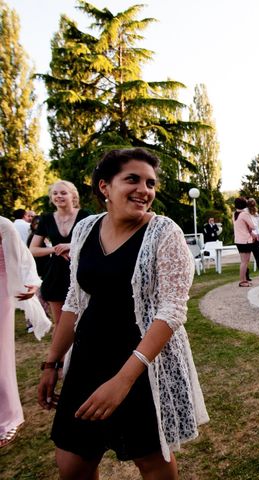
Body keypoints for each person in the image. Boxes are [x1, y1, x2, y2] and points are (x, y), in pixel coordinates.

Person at [37, 148, 208, 479]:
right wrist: (52, 361)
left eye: (150, 182)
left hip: (141, 363)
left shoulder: (164, 232)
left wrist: (123, 380)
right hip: (87, 359)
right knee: (71, 463)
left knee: (153, 463)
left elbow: (171, 310)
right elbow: (75, 299)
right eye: (132, 179)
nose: (144, 189)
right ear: (105, 187)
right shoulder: (86, 228)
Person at [0, 217, 51, 448]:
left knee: (1, 355)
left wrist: (31, 283)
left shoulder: (3, 225)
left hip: (2, 293)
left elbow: (23, 257)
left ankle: (9, 417)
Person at [29, 181, 90, 327]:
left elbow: (96, 243)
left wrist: (70, 246)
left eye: (63, 193)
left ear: (73, 196)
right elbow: (33, 250)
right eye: (55, 193)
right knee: (60, 323)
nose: (58, 196)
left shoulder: (85, 216)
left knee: (83, 322)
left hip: (81, 272)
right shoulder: (46, 219)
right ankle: (61, 350)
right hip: (55, 274)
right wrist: (55, 249)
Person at [233, 197, 258, 287]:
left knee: (244, 261)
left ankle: (244, 280)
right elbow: (253, 226)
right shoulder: (244, 214)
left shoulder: (235, 214)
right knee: (245, 262)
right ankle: (242, 281)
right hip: (245, 241)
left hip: (238, 240)